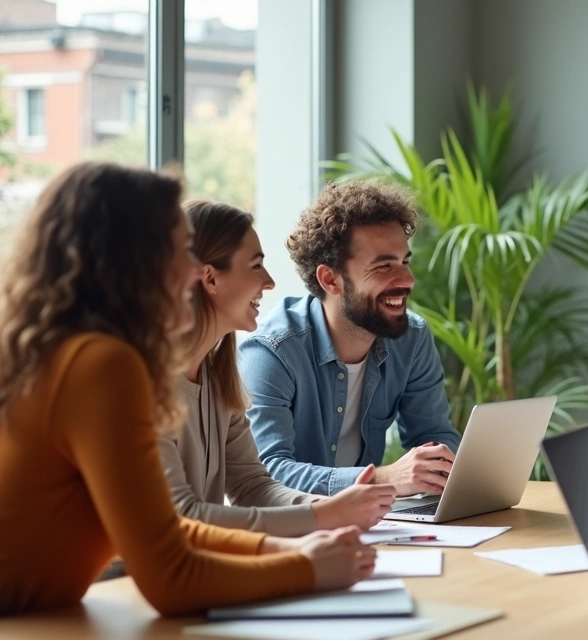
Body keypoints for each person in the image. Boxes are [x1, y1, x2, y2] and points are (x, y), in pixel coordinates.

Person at [0, 163, 374, 616]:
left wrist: (280, 549)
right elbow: (170, 577)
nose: (194, 271)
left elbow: (165, 529)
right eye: (181, 250)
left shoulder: (85, 355)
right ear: (134, 261)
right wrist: (306, 567)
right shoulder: (100, 364)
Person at [160, 200, 396, 536]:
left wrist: (328, 508)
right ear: (210, 278)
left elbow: (252, 486)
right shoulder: (143, 386)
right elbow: (181, 518)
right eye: (255, 266)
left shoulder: (217, 378)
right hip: (120, 583)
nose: (269, 282)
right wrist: (322, 518)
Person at [240, 180, 460, 497]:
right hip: (295, 532)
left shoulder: (412, 338)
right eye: (384, 266)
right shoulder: (272, 352)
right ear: (330, 279)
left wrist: (438, 468)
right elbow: (268, 474)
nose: (407, 280)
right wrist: (384, 479)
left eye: (405, 261)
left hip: (371, 523)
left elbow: (434, 435)